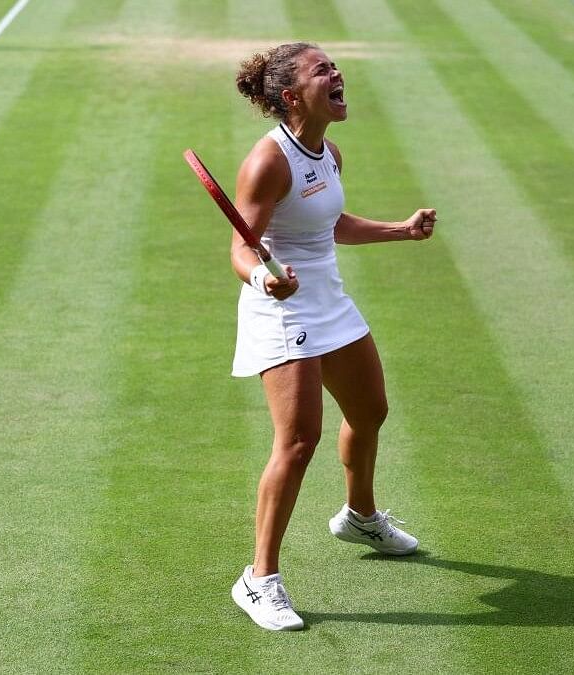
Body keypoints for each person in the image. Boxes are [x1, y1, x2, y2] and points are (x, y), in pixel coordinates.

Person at [226, 42, 437, 632]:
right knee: (297, 441)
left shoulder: (328, 153)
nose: (337, 73)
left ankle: (360, 515)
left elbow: (331, 223)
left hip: (329, 303)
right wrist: (264, 279)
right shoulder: (268, 161)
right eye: (322, 70)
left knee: (370, 411)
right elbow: (243, 246)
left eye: (333, 66)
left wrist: (401, 229)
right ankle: (259, 578)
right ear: (292, 96)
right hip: (282, 309)